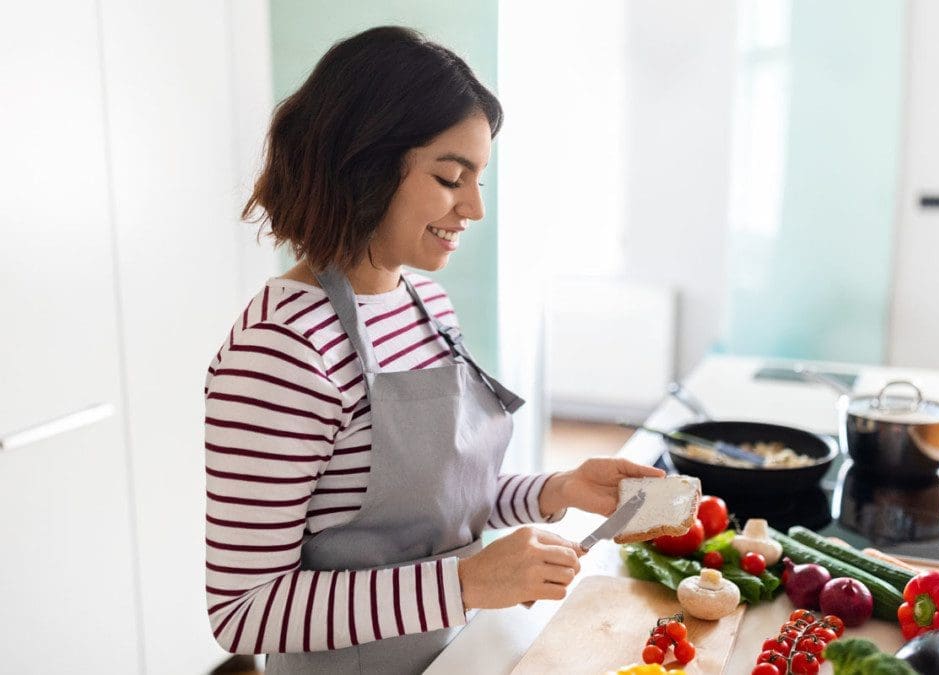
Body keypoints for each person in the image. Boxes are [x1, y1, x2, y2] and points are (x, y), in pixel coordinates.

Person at [203, 26, 663, 674]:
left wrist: (559, 487)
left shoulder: (424, 301)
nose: (473, 207)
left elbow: (438, 500)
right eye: (452, 177)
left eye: (479, 178)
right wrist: (466, 582)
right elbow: (244, 607)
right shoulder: (279, 353)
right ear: (363, 164)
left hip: (460, 652)